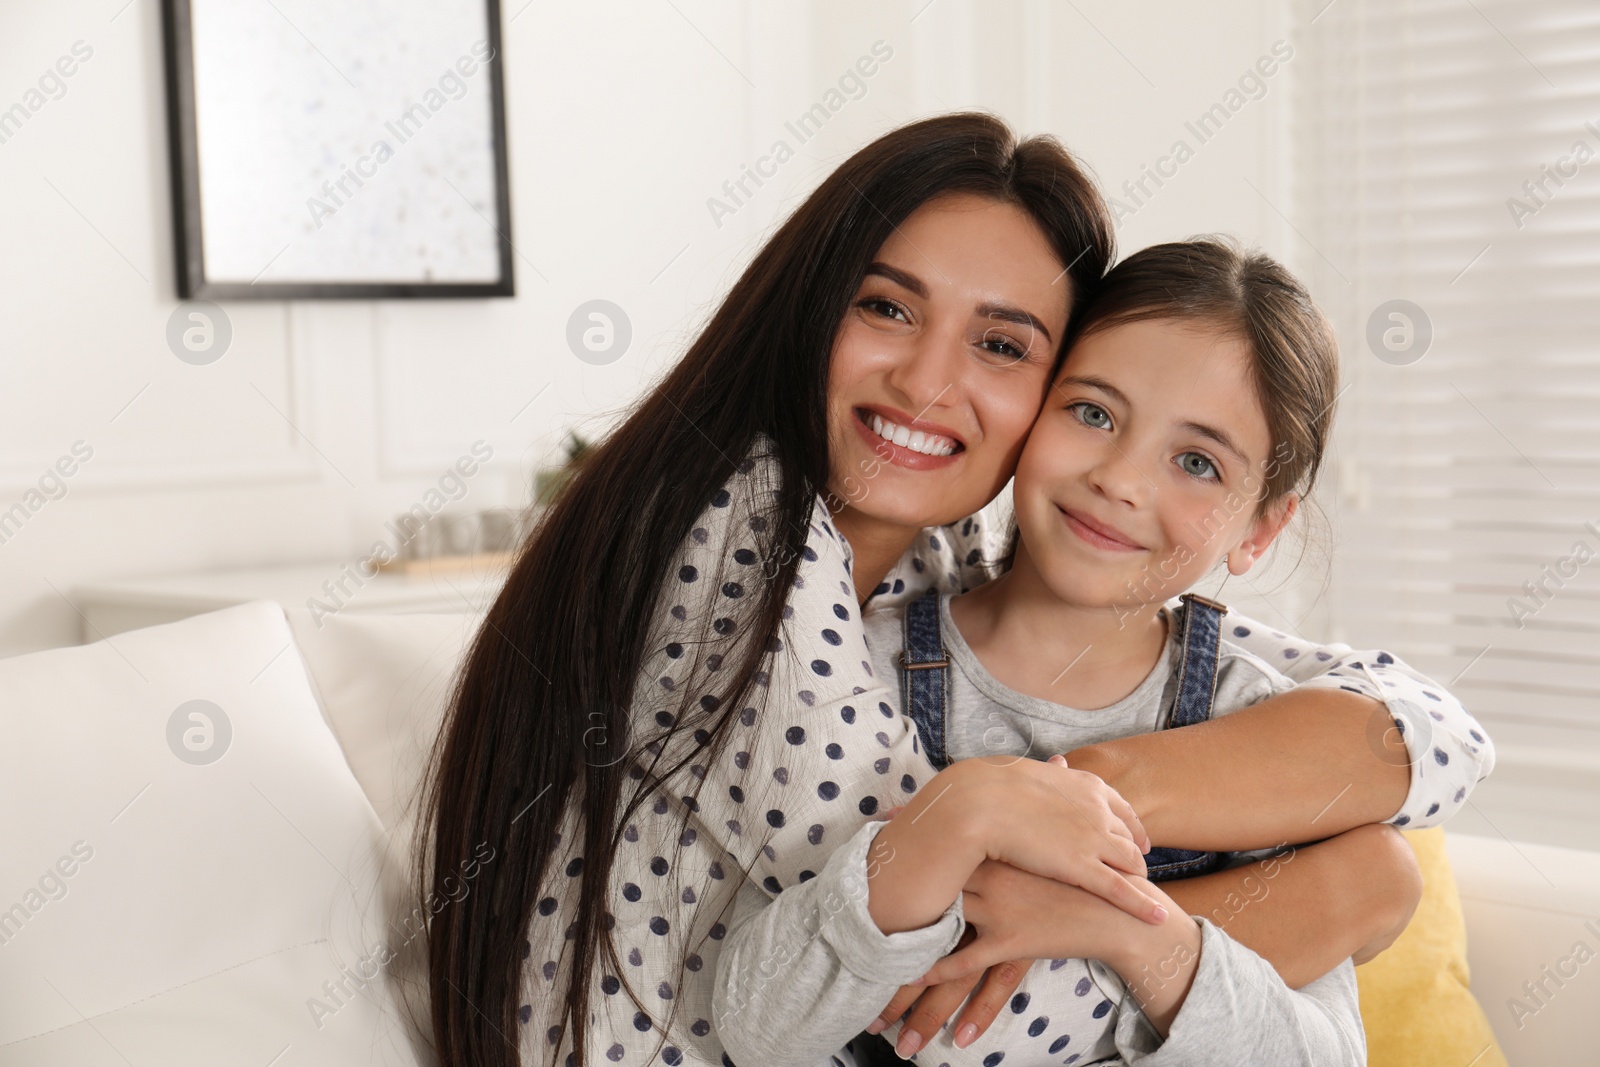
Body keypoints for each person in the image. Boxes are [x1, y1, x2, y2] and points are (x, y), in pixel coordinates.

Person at [416, 114, 1494, 1067]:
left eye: (998, 343)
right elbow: (925, 1015)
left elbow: (1431, 731)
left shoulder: (936, 559)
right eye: (886, 307)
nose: (929, 382)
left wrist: (1104, 788)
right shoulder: (738, 530)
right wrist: (1336, 895)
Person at [713, 238, 1479, 1066]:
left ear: (1260, 528)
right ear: (1031, 407)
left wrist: (1122, 928)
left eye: (1196, 462)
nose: (1122, 479)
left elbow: (1318, 1057)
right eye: (1094, 413)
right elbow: (760, 1025)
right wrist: (958, 817)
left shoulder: (1254, 728)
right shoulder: (859, 671)